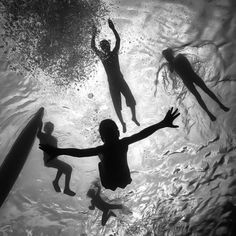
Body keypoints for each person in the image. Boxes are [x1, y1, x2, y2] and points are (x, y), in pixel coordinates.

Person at [39, 107, 180, 191]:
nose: (110, 131)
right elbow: (142, 134)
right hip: (123, 179)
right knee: (101, 157)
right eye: (109, 129)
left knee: (101, 159)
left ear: (102, 137)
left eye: (108, 129)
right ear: (118, 133)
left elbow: (80, 153)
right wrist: (161, 124)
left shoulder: (103, 147)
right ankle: (104, 161)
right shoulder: (123, 142)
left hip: (110, 182)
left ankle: (103, 161)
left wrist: (59, 151)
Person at [91, 19, 140, 133]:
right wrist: (93, 35)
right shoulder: (103, 57)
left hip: (120, 80)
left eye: (107, 45)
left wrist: (113, 29)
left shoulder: (114, 53)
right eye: (103, 46)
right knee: (117, 106)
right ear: (103, 48)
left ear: (109, 45)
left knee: (131, 99)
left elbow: (118, 40)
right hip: (112, 84)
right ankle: (122, 123)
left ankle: (134, 117)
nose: (105, 47)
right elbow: (93, 47)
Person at [161, 48, 230, 121]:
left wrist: (173, 63)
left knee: (206, 90)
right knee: (198, 96)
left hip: (192, 76)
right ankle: (209, 113)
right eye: (165, 57)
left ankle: (221, 105)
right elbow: (171, 71)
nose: (166, 58)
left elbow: (186, 65)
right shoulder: (171, 64)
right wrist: (170, 63)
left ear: (170, 54)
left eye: (166, 56)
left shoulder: (179, 57)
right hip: (187, 81)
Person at [37, 121, 76, 196]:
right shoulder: (42, 136)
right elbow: (38, 132)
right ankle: (66, 188)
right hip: (49, 160)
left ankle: (56, 182)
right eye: (48, 127)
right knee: (69, 168)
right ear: (45, 129)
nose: (50, 129)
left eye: (51, 128)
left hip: (53, 160)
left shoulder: (54, 139)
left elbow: (56, 151)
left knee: (64, 168)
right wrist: (40, 120)